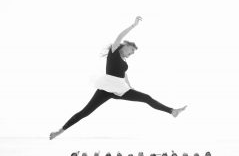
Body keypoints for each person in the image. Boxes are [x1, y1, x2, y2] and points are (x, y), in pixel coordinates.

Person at [49, 16, 187, 140]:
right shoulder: (114, 51)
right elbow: (119, 37)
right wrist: (133, 26)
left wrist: (130, 86)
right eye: (132, 50)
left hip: (121, 89)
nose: (132, 53)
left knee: (146, 98)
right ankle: (60, 131)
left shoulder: (124, 61)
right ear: (126, 46)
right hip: (106, 88)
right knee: (86, 112)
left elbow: (124, 74)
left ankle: (172, 111)